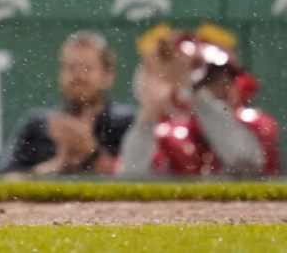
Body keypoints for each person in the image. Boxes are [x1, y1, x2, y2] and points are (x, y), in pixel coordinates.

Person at [118, 28, 279, 178]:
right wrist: (152, 109)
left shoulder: (254, 122)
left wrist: (195, 95)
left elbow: (246, 163)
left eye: (225, 79)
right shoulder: (167, 132)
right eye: (208, 81)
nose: (221, 88)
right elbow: (130, 176)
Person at [0, 32, 134, 176]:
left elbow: (138, 176)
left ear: (108, 76)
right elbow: (5, 180)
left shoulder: (128, 123)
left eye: (87, 68)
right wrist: (59, 165)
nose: (78, 76)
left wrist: (91, 153)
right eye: (71, 67)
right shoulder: (37, 125)